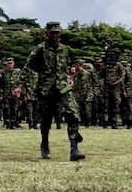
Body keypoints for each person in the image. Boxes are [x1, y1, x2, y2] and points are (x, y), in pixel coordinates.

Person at [18, 22, 87, 160]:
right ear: (47, 34)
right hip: (46, 89)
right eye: (52, 33)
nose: (55, 35)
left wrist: (68, 77)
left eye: (57, 33)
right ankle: (45, 143)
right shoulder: (40, 49)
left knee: (73, 114)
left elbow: (63, 67)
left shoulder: (65, 49)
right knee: (46, 119)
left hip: (62, 88)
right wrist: (20, 85)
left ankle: (74, 149)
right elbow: (28, 67)